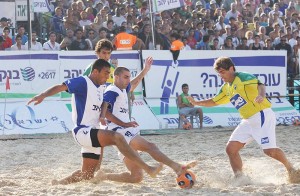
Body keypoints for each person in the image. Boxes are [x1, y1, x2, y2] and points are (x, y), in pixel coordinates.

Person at [27, 59, 163, 185]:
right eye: (105, 73)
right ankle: (148, 168)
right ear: (95, 71)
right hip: (83, 131)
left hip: (93, 134)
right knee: (117, 137)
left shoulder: (102, 88)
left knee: (87, 175)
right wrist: (43, 95)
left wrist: (145, 70)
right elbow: (60, 87)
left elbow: (130, 86)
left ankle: (59, 183)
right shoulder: (83, 82)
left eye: (109, 74)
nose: (107, 76)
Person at [187, 56, 300, 183]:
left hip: (261, 115)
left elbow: (260, 84)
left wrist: (261, 95)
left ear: (231, 68)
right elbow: (214, 101)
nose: (221, 76)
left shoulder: (242, 77)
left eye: (223, 72)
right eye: (219, 74)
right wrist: (197, 102)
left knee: (269, 151)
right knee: (231, 149)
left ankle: (291, 169)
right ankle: (240, 178)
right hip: (248, 120)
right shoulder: (226, 87)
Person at [96, 62, 196, 183]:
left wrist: (145, 71)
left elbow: (134, 83)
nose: (129, 79)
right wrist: (124, 123)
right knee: (150, 146)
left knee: (136, 177)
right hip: (118, 130)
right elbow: (105, 110)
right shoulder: (112, 91)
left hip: (122, 130)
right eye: (126, 77)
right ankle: (177, 168)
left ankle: (103, 177)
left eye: (129, 76)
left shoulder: (122, 89)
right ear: (116, 77)